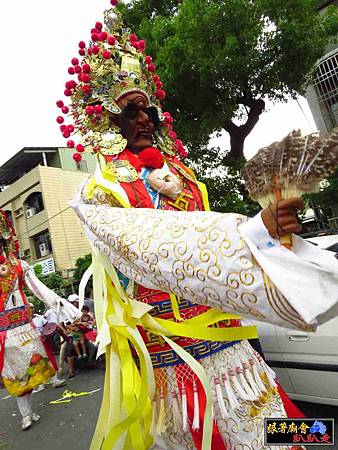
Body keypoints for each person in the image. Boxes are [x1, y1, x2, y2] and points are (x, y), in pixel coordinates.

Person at [60, 3, 338, 449]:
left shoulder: (185, 174)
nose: (144, 117)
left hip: (230, 338)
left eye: (147, 107)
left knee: (281, 430)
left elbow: (207, 227)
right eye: (130, 111)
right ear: (105, 120)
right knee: (203, 437)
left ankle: (318, 434)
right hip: (174, 354)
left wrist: (267, 233)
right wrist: (252, 231)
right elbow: (146, 245)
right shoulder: (99, 193)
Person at [0, 211, 80, 431]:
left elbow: (39, 290)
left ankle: (48, 385)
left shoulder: (19, 266)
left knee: (37, 366)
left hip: (25, 328)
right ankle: (26, 415)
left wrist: (60, 305)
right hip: (4, 334)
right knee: (17, 378)